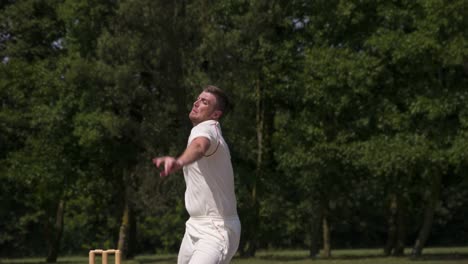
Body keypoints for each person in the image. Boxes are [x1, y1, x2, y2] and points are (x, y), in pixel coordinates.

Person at [152, 85, 241, 264]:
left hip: (216, 228)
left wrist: (179, 162)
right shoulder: (202, 130)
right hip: (194, 225)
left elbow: (200, 146)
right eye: (198, 99)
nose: (196, 103)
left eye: (204, 102)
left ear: (216, 114)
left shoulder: (208, 128)